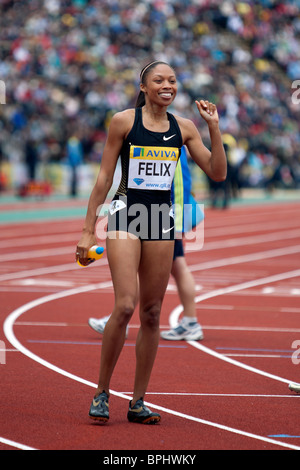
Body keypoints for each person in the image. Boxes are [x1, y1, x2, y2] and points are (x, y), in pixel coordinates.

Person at [76, 60, 227, 424]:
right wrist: (86, 230)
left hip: (162, 221)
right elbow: (103, 179)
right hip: (126, 215)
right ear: (143, 87)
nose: (167, 85)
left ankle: (138, 401)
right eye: (159, 80)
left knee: (152, 313)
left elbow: (218, 173)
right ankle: (101, 392)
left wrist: (214, 128)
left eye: (173, 80)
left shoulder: (186, 127)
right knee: (126, 305)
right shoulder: (123, 122)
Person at [88, 146, 204, 341]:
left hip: (166, 217)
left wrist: (176, 222)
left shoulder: (172, 137)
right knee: (167, 267)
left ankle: (191, 322)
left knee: (177, 265)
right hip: (159, 214)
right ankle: (122, 316)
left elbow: (179, 182)